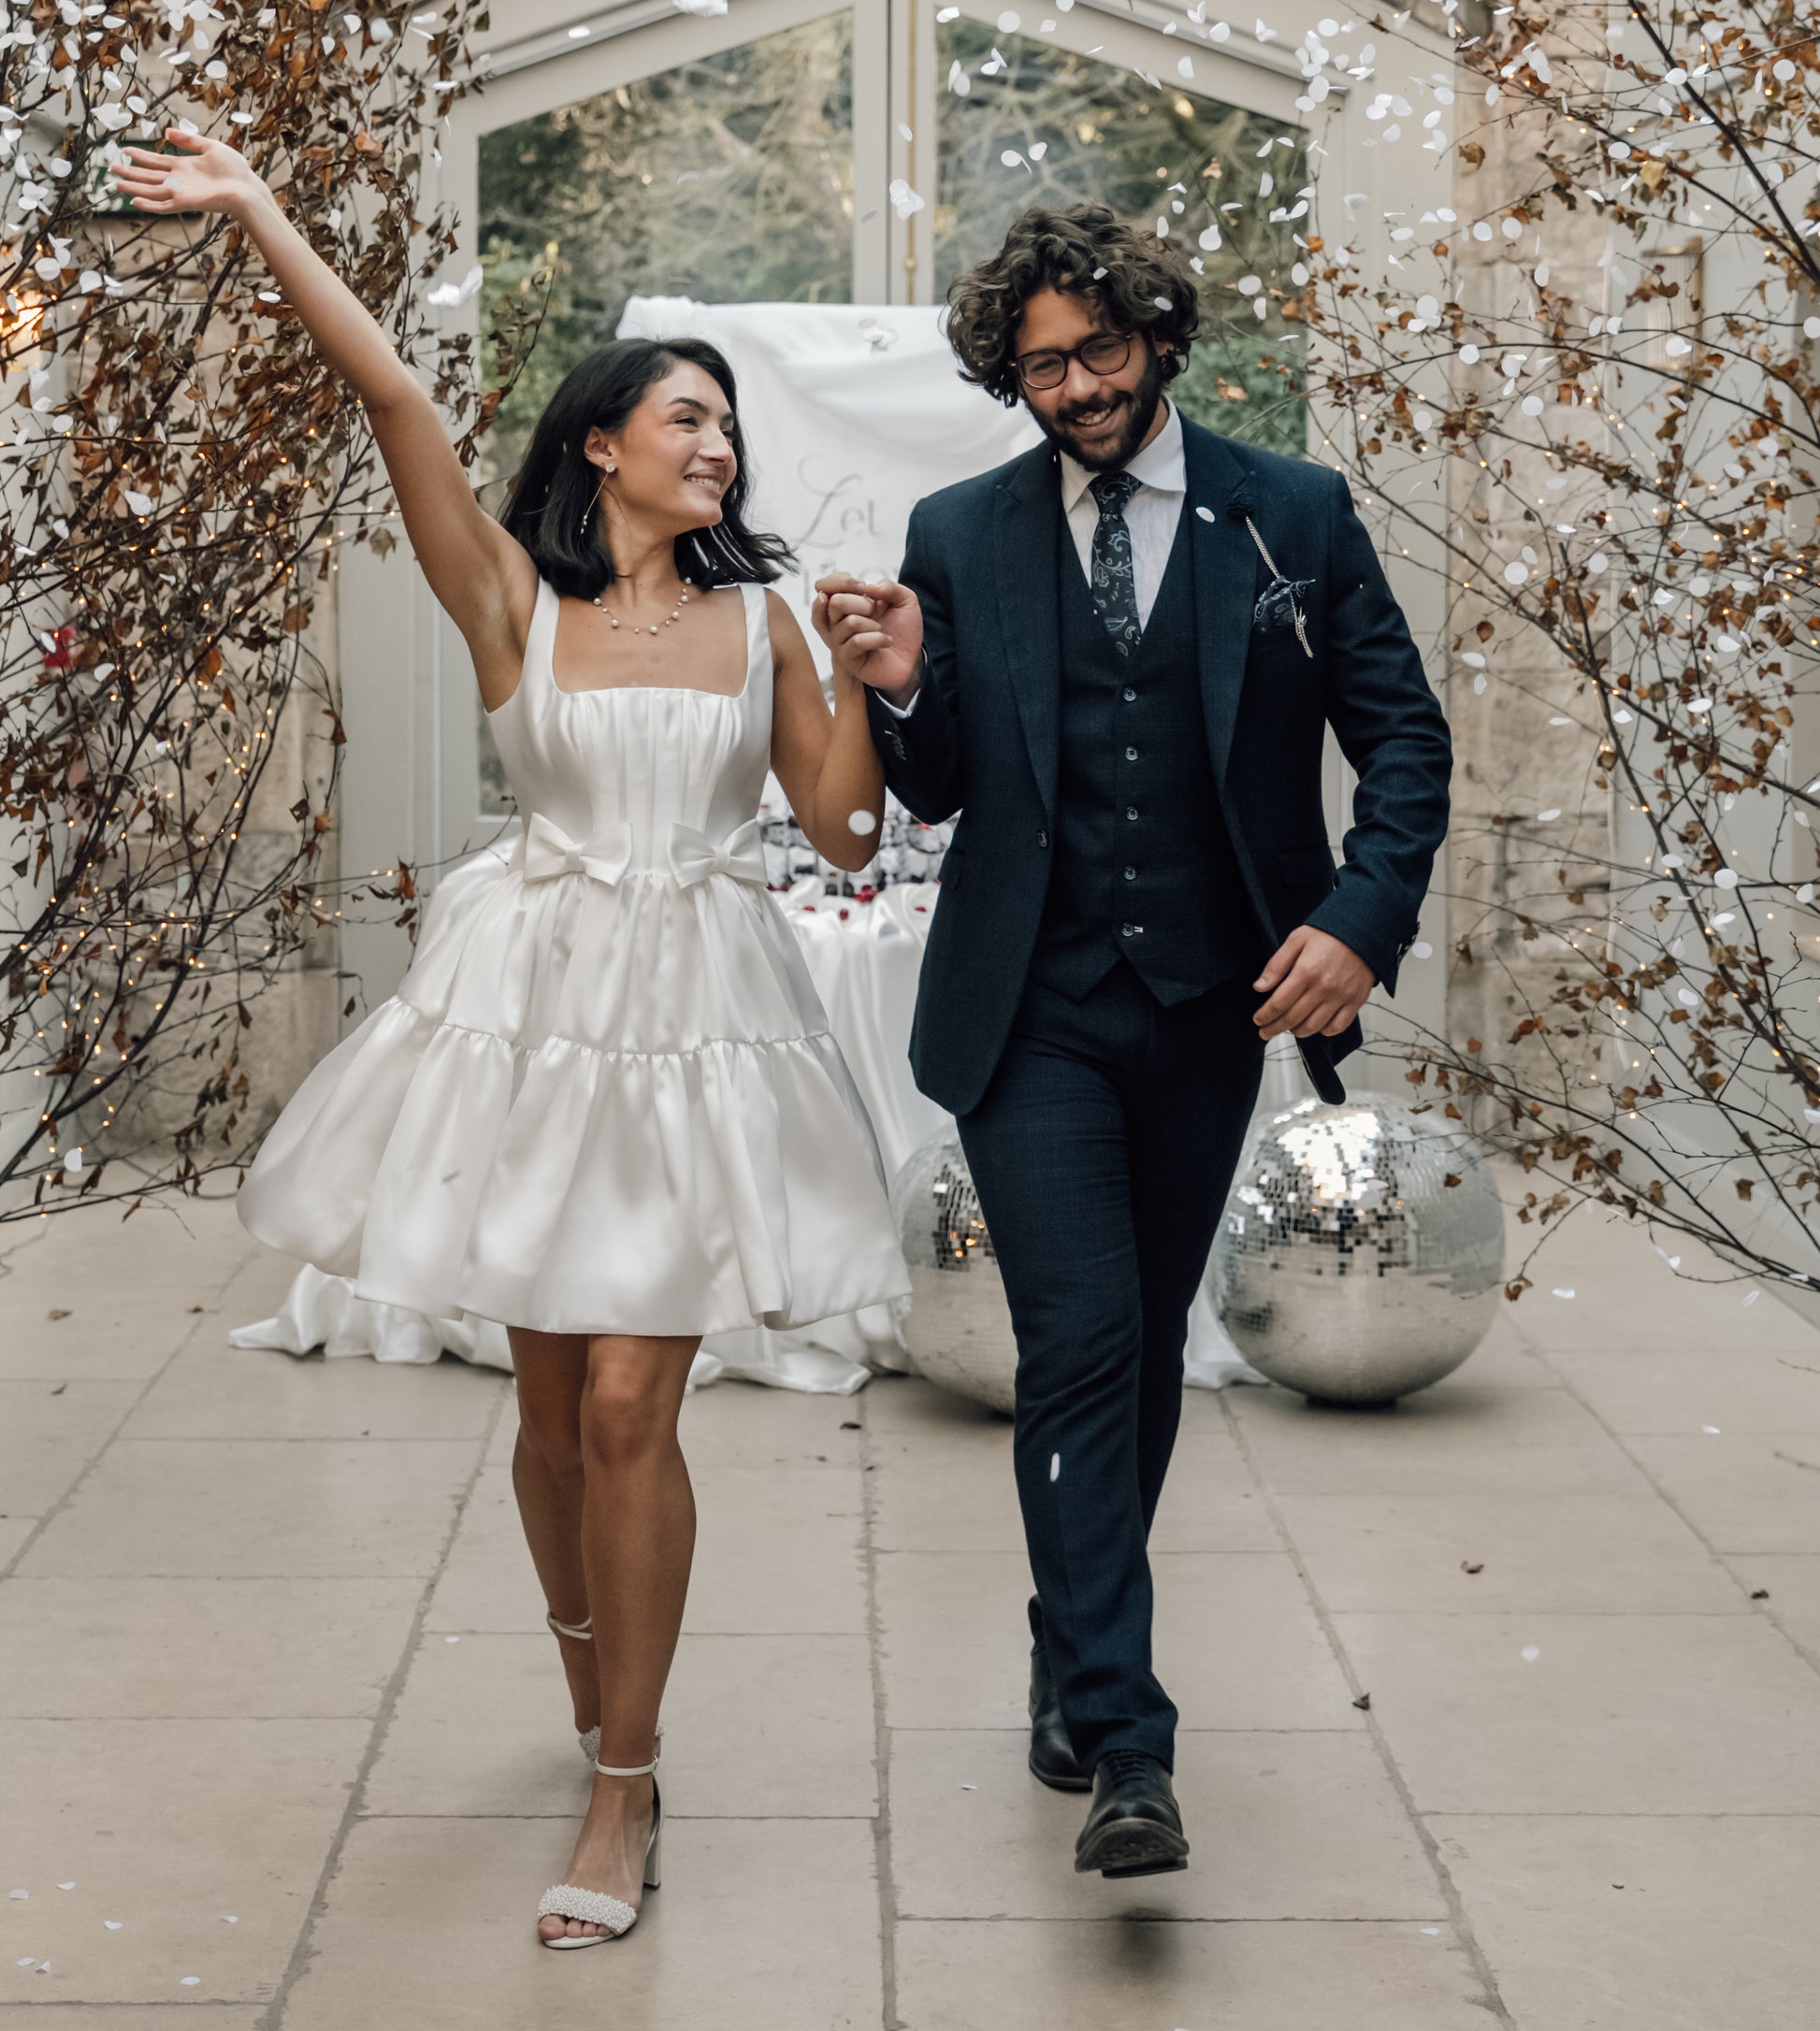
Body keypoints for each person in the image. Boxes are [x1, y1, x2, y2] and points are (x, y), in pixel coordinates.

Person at [109, 130, 910, 1952]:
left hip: (701, 1015)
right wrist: (254, 206)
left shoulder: (766, 614)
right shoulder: (511, 599)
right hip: (530, 1019)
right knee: (549, 1413)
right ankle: (586, 1688)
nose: (715, 441)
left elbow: (846, 829)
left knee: (635, 1397)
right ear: (600, 443)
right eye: (684, 415)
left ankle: (623, 1777)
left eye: (729, 423)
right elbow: (388, 385)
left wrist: (862, 681)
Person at [816, 203, 1450, 1884]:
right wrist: (895, 684)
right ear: (1003, 377)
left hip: (1210, 1005)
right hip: (1029, 1010)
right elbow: (943, 779)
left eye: (1098, 351)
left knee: (1146, 1347)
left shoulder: (1289, 516)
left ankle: (1060, 1640)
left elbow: (1403, 743)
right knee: (1084, 1341)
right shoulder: (961, 531)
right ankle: (1130, 1739)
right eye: (1038, 366)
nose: (1076, 388)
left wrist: (1355, 920)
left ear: (1157, 335)